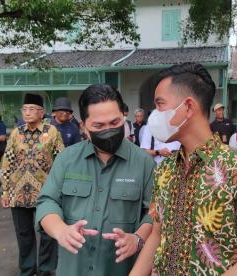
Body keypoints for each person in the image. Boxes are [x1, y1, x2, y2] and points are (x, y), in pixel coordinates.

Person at [130, 63, 237, 275]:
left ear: (189, 107)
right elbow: (157, 234)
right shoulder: (164, 170)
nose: (154, 114)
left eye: (160, 104)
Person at [36, 84, 155, 276]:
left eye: (115, 123)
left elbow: (154, 212)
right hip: (72, 269)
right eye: (98, 126)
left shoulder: (144, 163)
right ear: (84, 126)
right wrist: (61, 230)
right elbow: (47, 201)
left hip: (120, 269)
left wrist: (137, 238)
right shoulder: (67, 159)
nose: (108, 130)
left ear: (124, 117)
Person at [0, 93, 64, 276]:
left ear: (41, 112)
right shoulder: (16, 133)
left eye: (32, 109)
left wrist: (60, 189)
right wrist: (5, 191)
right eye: (24, 109)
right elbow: (7, 162)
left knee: (47, 233)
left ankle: (46, 270)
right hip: (17, 192)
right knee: (23, 234)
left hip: (46, 193)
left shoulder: (51, 132)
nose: (27, 113)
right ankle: (27, 270)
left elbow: (61, 160)